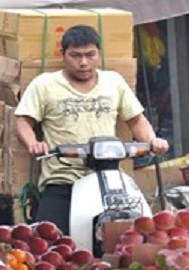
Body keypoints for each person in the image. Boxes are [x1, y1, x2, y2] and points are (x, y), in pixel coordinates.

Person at [15, 25, 169, 235]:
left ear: (99, 53)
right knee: (48, 241)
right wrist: (33, 143)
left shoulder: (113, 81)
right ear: (64, 55)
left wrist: (153, 141)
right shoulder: (44, 84)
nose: (83, 62)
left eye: (90, 55)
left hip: (109, 178)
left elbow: (136, 120)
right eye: (75, 56)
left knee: (137, 234)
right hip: (63, 180)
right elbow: (23, 122)